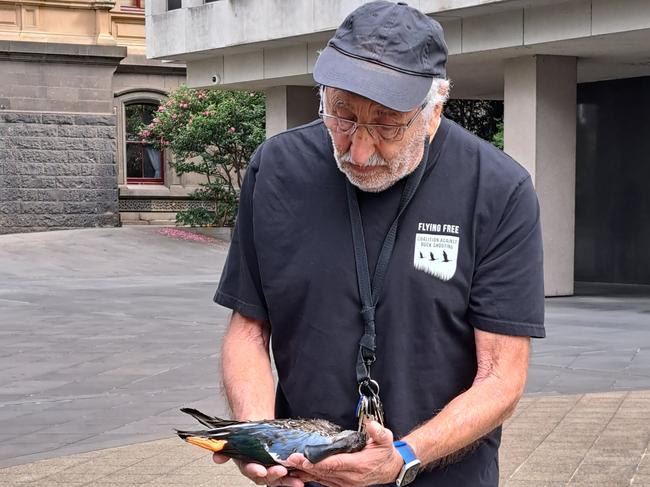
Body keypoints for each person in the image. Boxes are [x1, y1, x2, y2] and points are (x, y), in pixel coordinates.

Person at [212, 1, 545, 486]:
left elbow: (501, 379)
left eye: (388, 125)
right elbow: (247, 328)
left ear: (434, 112)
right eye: (342, 117)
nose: (359, 149)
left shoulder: (497, 190)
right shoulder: (276, 170)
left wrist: (404, 455)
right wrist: (261, 438)